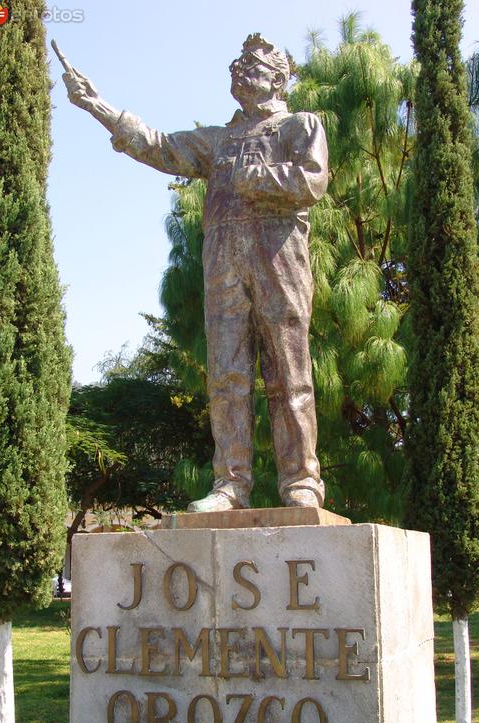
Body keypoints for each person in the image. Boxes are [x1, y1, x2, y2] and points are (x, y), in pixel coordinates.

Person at [57, 33, 329, 512]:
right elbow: (159, 147)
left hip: (278, 257)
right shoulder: (218, 140)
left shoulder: (299, 126)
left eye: (252, 64)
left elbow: (312, 180)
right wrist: (96, 105)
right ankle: (230, 484)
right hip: (223, 259)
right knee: (226, 376)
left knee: (290, 375)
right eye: (236, 63)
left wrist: (257, 178)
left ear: (278, 78)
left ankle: (301, 482)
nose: (239, 70)